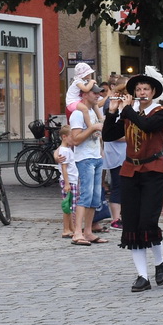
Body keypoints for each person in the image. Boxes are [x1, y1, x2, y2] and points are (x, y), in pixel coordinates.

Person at [118, 67, 163, 291]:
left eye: (145, 89)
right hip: (130, 170)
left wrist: (127, 110)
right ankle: (142, 275)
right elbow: (110, 135)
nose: (141, 93)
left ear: (153, 92)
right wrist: (114, 112)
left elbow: (148, 126)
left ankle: (160, 262)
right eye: (138, 89)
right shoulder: (128, 113)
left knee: (148, 222)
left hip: (153, 170)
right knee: (131, 224)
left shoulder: (162, 112)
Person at [67, 84, 105, 247]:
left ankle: (88, 231)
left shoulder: (93, 112)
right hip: (85, 158)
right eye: (94, 93)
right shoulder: (77, 114)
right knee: (86, 195)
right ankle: (77, 232)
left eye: (98, 93)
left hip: (96, 157)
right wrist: (93, 128)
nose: (97, 95)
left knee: (95, 197)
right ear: (84, 94)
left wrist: (101, 150)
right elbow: (75, 140)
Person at [101, 76, 128, 231]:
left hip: (124, 153)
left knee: (125, 185)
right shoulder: (115, 108)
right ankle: (115, 218)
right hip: (117, 153)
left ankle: (124, 215)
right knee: (118, 185)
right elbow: (112, 134)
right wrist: (131, 139)